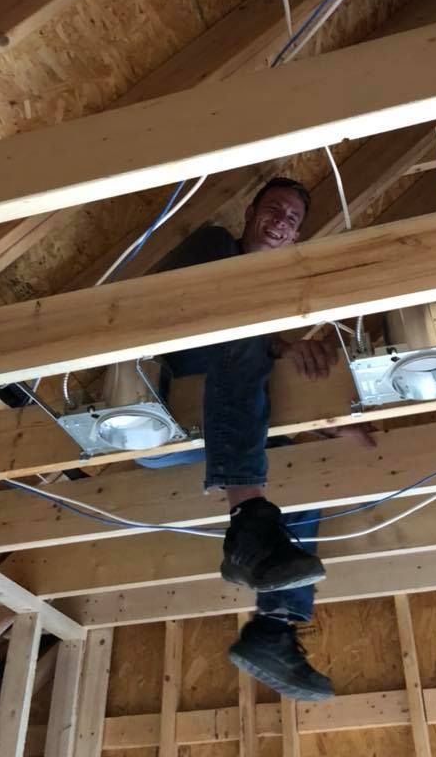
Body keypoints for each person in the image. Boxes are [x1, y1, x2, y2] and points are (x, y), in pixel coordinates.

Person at [138, 177, 341, 700]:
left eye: (293, 219)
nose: (282, 220)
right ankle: (247, 526)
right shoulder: (213, 245)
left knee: (303, 479)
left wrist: (330, 415)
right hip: (165, 414)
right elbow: (205, 305)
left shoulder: (281, 303)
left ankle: (274, 627)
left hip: (227, 427)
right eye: (274, 208)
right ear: (250, 212)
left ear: (297, 236)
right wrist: (280, 345)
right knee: (242, 341)